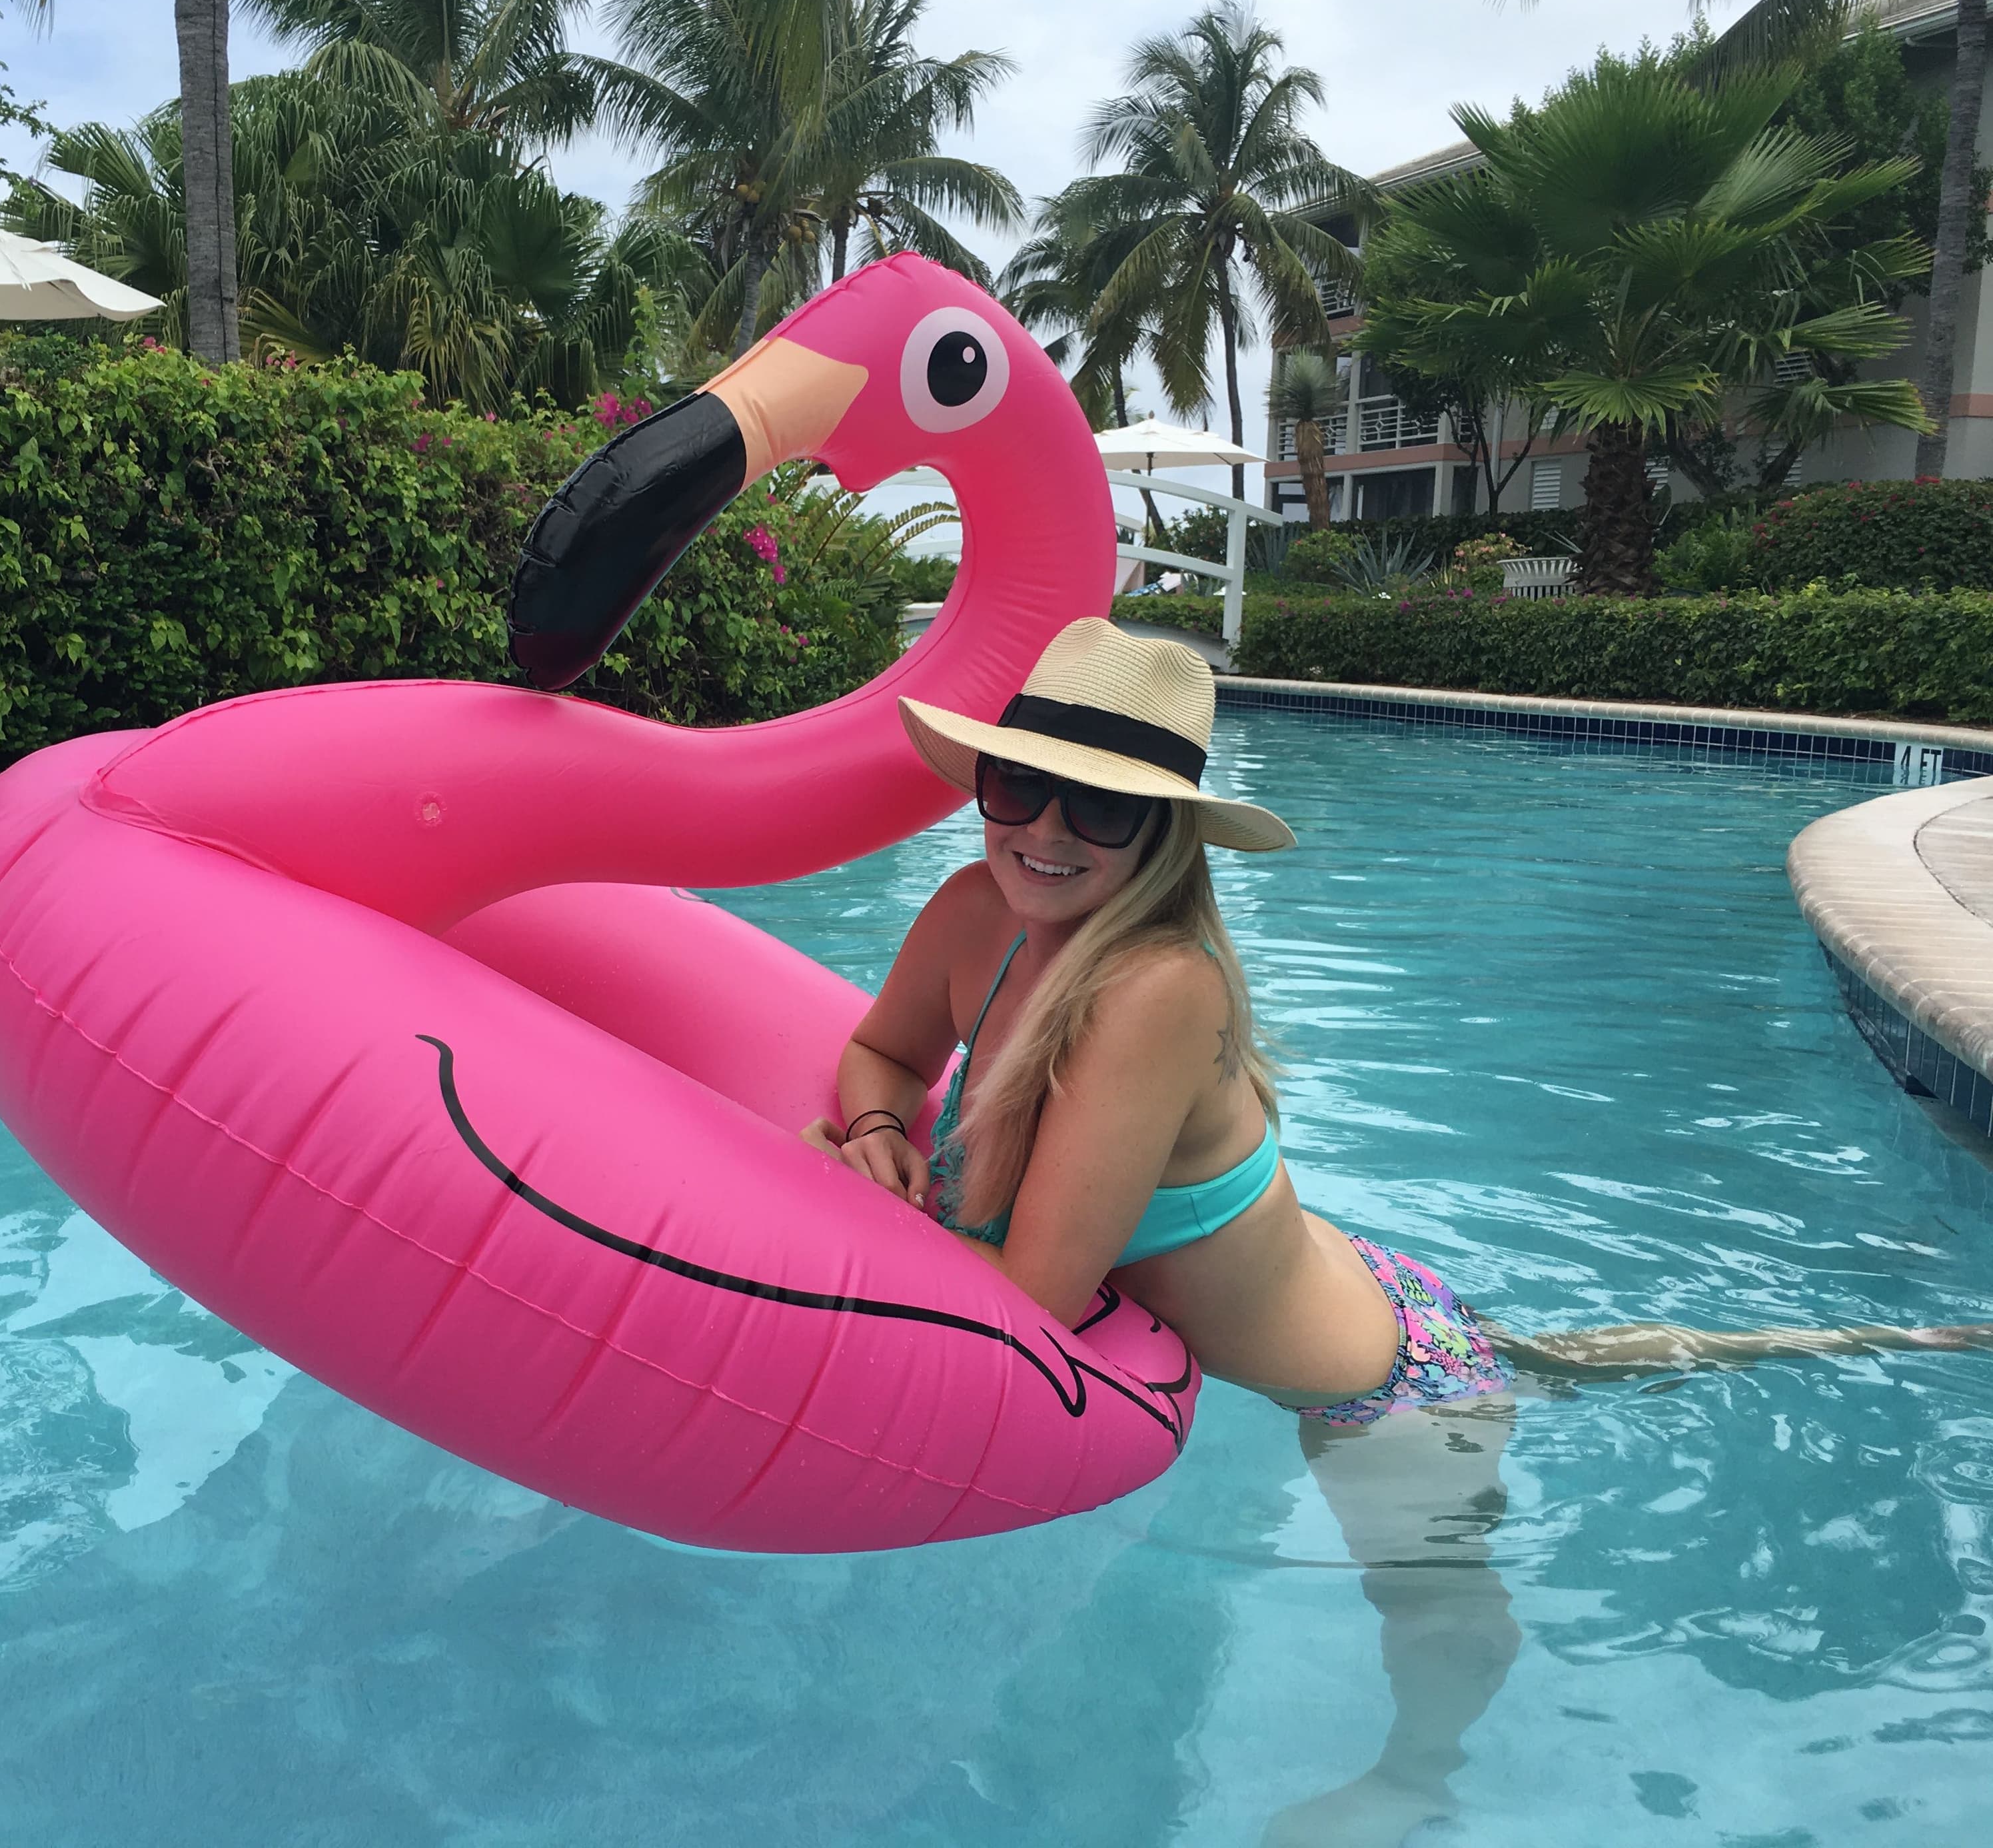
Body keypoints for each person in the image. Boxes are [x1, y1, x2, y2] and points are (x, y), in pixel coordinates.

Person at [804, 617, 1991, 1843]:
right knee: (1559, 1364)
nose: (1046, 831)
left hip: (1387, 1383)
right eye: (1021, 784)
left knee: (1438, 1610)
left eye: (1101, 807)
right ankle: (1858, 1337)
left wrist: (845, 1204)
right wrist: (880, 1126)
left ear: (1163, 833)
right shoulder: (974, 911)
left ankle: (1419, 1784)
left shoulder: (1157, 988)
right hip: (1361, 1276)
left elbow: (1037, 1297)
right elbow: (881, 1049)